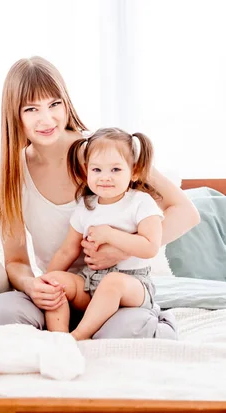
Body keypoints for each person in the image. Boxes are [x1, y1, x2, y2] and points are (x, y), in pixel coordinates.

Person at [0, 56, 200, 338]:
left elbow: (185, 212)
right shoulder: (9, 179)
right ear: (14, 115)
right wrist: (34, 286)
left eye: (54, 104)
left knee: (127, 330)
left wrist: (124, 249)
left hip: (118, 294)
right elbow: (17, 262)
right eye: (32, 109)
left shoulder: (104, 152)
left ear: (66, 103)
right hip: (66, 292)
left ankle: (147, 324)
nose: (47, 119)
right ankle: (62, 339)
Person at [45, 127, 163, 340]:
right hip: (90, 282)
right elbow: (67, 251)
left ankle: (78, 336)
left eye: (115, 170)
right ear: (86, 171)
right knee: (55, 282)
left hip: (133, 286)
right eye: (97, 170)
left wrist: (109, 234)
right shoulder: (86, 206)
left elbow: (150, 246)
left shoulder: (140, 202)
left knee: (112, 282)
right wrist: (45, 281)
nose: (105, 178)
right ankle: (58, 338)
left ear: (133, 171)